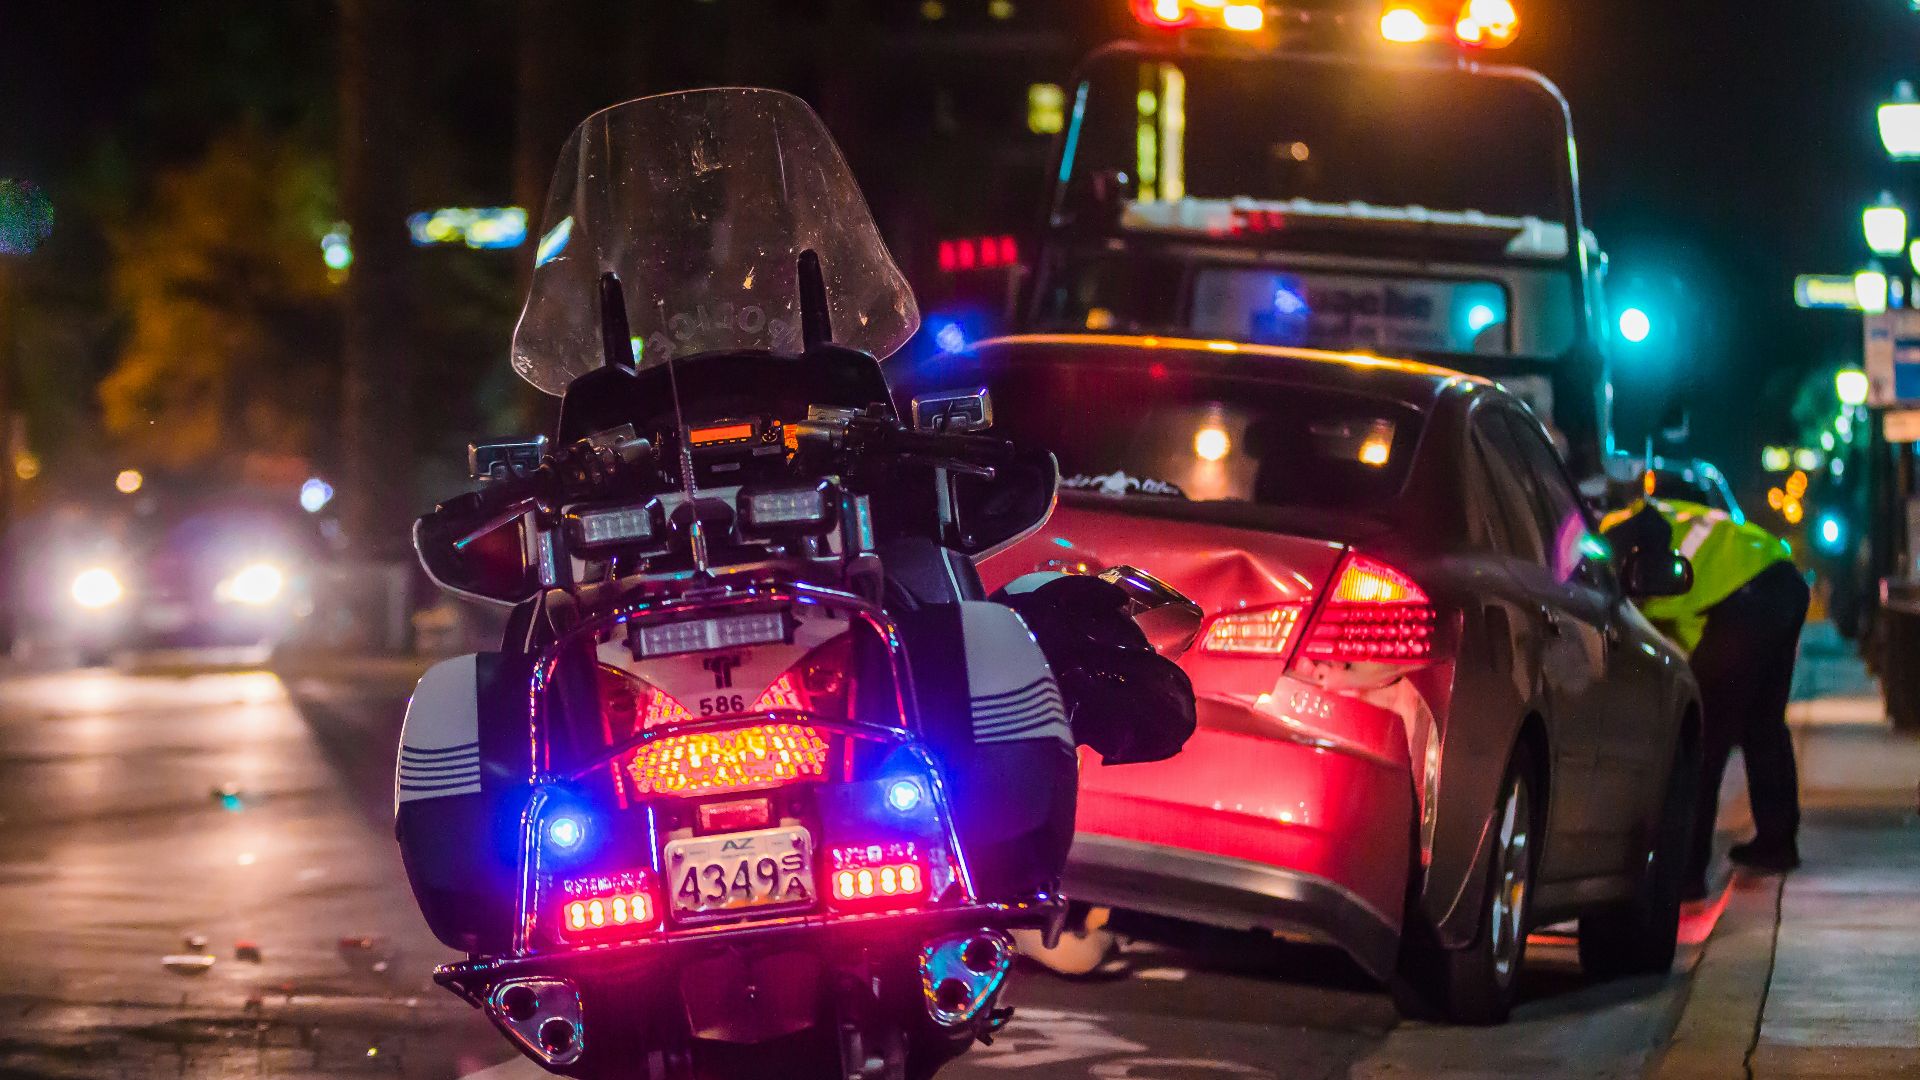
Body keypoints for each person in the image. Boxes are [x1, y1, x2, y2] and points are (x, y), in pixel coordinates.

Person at [1602, 495, 1810, 899]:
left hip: (1741, 596)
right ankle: (1777, 843)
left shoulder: (1616, 532)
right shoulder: (1660, 511)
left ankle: (1686, 872)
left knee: (1704, 740)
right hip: (1779, 580)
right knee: (1762, 725)